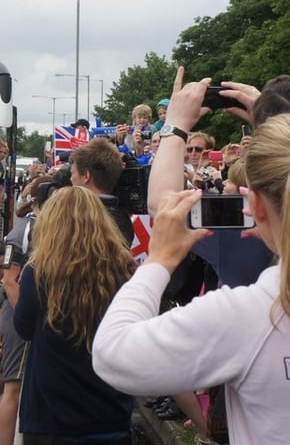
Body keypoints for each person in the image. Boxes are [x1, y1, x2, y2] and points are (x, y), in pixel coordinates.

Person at [92, 80, 290, 444]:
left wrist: (160, 260)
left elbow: (113, 354)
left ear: (255, 206)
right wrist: (273, 121)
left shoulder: (250, 311)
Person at [5, 186, 135, 445]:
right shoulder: (124, 268)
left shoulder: (38, 271)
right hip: (110, 408)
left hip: (50, 412)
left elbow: (24, 328)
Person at [68, 138, 134, 244]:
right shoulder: (122, 217)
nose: (70, 179)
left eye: (72, 173)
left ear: (86, 176)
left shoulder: (76, 221)